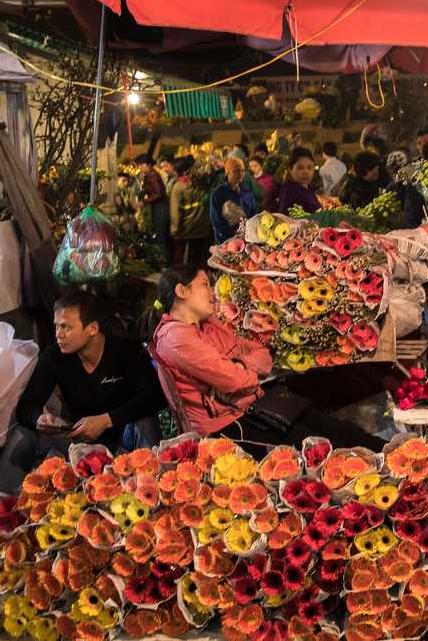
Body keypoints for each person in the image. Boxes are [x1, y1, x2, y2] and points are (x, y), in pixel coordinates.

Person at [148, 266, 385, 456]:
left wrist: (243, 367)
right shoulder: (175, 338)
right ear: (182, 291)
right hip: (228, 427)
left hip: (255, 406)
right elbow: (234, 380)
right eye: (204, 285)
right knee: (324, 450)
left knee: (342, 432)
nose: (212, 293)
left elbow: (261, 353)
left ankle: (400, 456)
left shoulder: (208, 324)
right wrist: (243, 371)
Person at [0, 292, 166, 499]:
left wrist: (106, 420)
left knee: (144, 420)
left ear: (92, 329)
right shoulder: (54, 356)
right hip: (79, 442)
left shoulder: (126, 351)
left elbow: (156, 396)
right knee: (23, 435)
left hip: (123, 441)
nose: (58, 334)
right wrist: (39, 420)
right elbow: (27, 406)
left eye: (66, 327)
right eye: (56, 326)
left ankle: (154, 495)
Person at [169, 156, 210, 265]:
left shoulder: (178, 187)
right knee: (201, 258)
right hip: (202, 227)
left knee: (182, 257)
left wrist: (174, 230)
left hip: (186, 229)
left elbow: (175, 211)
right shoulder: (201, 183)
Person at [210, 157, 257, 244]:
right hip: (226, 241)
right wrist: (232, 234)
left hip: (246, 239)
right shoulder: (218, 193)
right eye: (236, 171)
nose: (241, 174)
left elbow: (253, 214)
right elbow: (216, 220)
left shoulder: (247, 192)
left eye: (243, 171)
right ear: (227, 172)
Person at [267, 148, 320, 214]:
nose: (306, 172)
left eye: (309, 167)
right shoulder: (290, 191)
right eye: (300, 168)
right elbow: (284, 219)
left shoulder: (308, 188)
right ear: (290, 169)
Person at [136, 154, 169, 253]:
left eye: (141, 165)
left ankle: (164, 263)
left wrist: (145, 201)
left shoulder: (152, 175)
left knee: (160, 237)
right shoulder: (150, 175)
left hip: (160, 209)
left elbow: (158, 193)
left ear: (148, 165)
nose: (139, 167)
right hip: (159, 208)